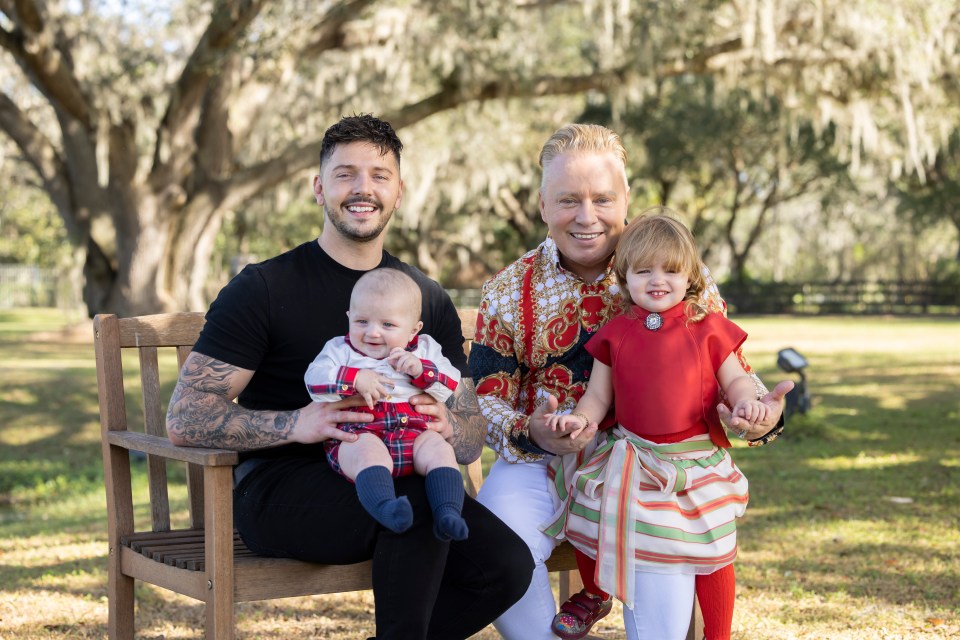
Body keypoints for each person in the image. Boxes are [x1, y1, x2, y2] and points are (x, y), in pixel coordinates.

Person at [165, 114, 533, 640]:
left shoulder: (424, 298)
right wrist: (297, 422)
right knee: (419, 511)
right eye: (345, 174)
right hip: (281, 488)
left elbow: (471, 436)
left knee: (506, 567)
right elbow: (185, 418)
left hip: (404, 470)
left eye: (380, 175)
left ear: (399, 191)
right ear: (319, 188)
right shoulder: (264, 288)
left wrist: (451, 427)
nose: (363, 188)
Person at [469, 123, 792, 640]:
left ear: (626, 199)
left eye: (602, 198)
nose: (586, 216)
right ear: (543, 203)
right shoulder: (509, 289)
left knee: (663, 565)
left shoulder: (669, 266)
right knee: (494, 545)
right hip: (543, 455)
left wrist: (760, 416)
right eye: (568, 199)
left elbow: (728, 365)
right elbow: (483, 400)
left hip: (654, 458)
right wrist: (531, 430)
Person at [541, 212, 780, 639]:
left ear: (689, 276)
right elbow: (598, 397)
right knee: (586, 507)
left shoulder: (706, 329)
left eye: (670, 271)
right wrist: (580, 418)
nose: (657, 280)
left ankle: (718, 632)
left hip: (693, 457)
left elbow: (737, 380)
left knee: (714, 543)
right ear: (624, 277)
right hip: (632, 453)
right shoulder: (615, 334)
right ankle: (594, 593)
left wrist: (748, 403)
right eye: (644, 270)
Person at [304, 268, 468, 541]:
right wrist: (354, 379)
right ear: (348, 318)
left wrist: (421, 371)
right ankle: (387, 509)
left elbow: (450, 385)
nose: (373, 333)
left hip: (415, 434)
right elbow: (314, 382)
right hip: (362, 431)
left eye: (388, 325)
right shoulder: (339, 350)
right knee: (366, 451)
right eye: (362, 321)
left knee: (440, 450)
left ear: (413, 329)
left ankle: (448, 513)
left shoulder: (425, 349)